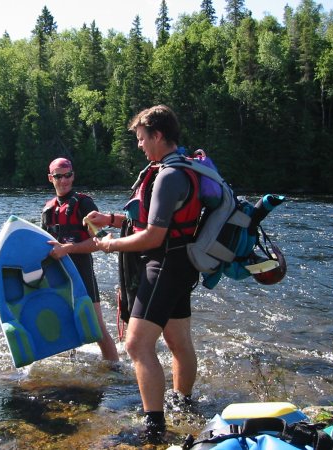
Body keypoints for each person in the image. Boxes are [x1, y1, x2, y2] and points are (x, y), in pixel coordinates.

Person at [85, 105, 201, 443]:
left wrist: (109, 246)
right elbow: (155, 222)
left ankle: (154, 427)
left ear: (158, 135)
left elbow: (153, 236)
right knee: (178, 340)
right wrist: (111, 219)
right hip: (181, 264)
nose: (139, 145)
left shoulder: (167, 175)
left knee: (137, 345)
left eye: (141, 138)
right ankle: (184, 404)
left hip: (162, 264)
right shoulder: (184, 168)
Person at [41, 157, 119, 362]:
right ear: (51, 178)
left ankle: (116, 371)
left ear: (73, 175)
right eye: (59, 176)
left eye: (68, 175)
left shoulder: (84, 204)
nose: (64, 180)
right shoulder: (48, 210)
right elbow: (42, 246)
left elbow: (101, 242)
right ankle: (71, 364)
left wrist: (70, 249)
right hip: (58, 276)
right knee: (66, 326)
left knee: (97, 328)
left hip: (82, 272)